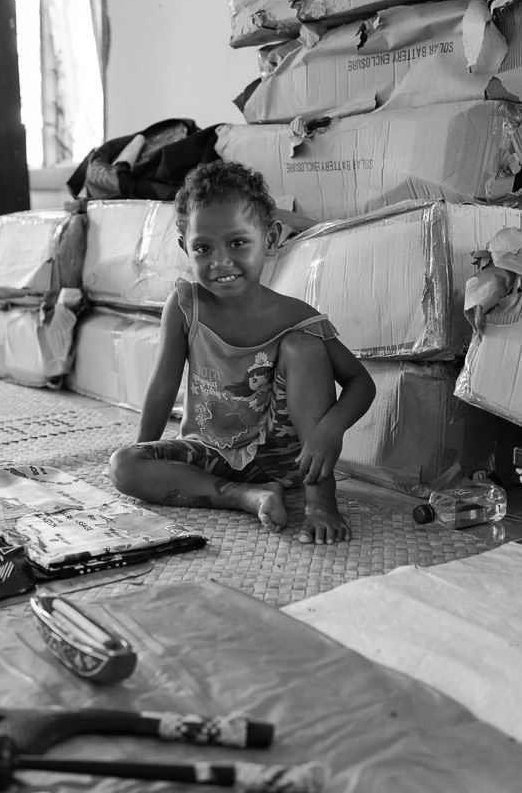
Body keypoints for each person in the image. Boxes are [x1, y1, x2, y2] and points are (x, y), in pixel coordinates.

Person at [108, 160, 375, 544]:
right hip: (209, 454)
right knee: (123, 465)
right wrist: (146, 450)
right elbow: (162, 387)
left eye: (237, 243)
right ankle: (247, 497)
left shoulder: (297, 316)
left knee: (304, 347)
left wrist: (329, 430)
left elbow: (360, 383)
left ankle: (320, 499)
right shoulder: (184, 306)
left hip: (286, 459)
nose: (221, 262)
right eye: (203, 248)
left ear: (271, 238)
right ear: (185, 248)